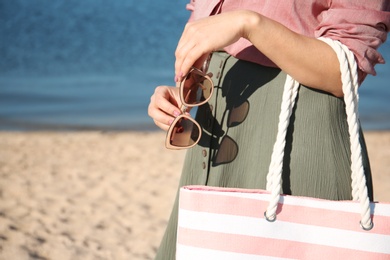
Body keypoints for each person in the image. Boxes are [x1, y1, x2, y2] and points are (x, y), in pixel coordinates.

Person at [148, 1, 390, 259]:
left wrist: (250, 24)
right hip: (213, 140)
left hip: (294, 140)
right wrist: (185, 93)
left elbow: (344, 70)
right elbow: (211, 38)